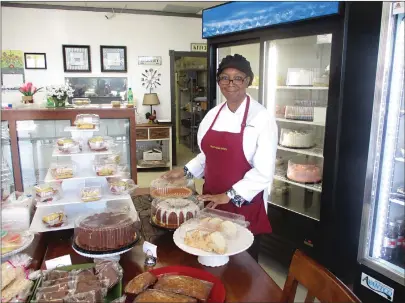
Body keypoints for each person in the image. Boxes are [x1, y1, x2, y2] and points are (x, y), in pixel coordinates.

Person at [164, 54, 278, 262]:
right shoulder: (213, 115)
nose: (231, 84)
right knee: (210, 252)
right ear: (218, 82)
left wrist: (229, 195)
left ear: (248, 81)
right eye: (225, 78)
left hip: (243, 203)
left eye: (238, 78)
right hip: (211, 199)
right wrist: (185, 171)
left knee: (241, 265)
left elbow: (264, 172)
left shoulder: (261, 118)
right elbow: (207, 155)